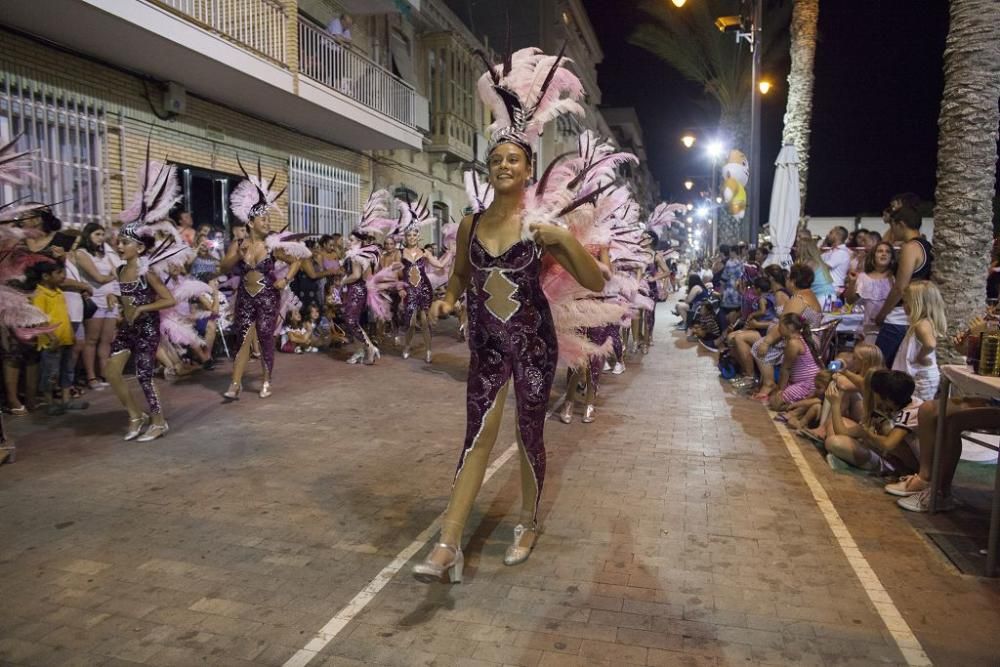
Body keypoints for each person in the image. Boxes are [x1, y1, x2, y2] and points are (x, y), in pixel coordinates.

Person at [412, 47, 604, 583]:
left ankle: (528, 520)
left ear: (528, 168)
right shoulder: (470, 225)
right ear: (488, 165)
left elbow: (596, 282)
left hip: (534, 343)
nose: (503, 165)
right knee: (477, 433)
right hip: (487, 346)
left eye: (513, 159)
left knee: (526, 432)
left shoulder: (540, 228)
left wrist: (565, 239)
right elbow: (459, 281)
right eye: (496, 158)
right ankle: (448, 541)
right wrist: (446, 300)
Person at [220, 161, 304, 400]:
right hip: (245, 298)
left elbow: (296, 261)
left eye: (268, 219)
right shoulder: (239, 244)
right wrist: (237, 253)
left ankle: (266, 380)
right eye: (263, 220)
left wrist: (285, 280)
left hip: (268, 297)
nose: (267, 222)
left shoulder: (273, 246)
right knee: (243, 338)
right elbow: (223, 267)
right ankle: (235, 384)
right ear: (250, 223)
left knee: (266, 338)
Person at [824, 370, 921, 475]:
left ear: (886, 397)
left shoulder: (908, 412)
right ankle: (851, 458)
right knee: (835, 425)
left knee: (833, 442)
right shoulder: (899, 400)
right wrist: (835, 404)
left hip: (910, 463)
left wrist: (869, 435)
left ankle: (884, 468)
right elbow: (842, 431)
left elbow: (888, 444)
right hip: (884, 449)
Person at [749, 263, 823, 399]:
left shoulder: (799, 299)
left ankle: (768, 383)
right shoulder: (810, 295)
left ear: (793, 282)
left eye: (788, 278)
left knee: (758, 347)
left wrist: (766, 342)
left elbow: (784, 326)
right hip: (807, 339)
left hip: (801, 341)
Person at [873, 206, 933, 366]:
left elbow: (900, 287)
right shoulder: (927, 247)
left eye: (892, 226)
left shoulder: (911, 247)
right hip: (915, 314)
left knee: (878, 365)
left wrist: (882, 314)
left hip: (899, 316)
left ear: (901, 224)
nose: (892, 231)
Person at [29, 262, 88, 416]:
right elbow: (39, 318)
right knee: (50, 373)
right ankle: (49, 403)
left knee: (67, 371)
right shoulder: (40, 294)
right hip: (51, 343)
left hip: (66, 339)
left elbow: (65, 315)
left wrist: (71, 335)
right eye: (58, 273)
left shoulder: (59, 292)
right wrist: (51, 336)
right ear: (45, 276)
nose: (63, 276)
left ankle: (66, 401)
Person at [75, 223, 122, 389]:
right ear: (88, 235)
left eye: (102, 234)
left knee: (107, 340)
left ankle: (104, 372)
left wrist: (113, 282)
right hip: (95, 300)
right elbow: (98, 278)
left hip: (110, 300)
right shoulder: (82, 253)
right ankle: (91, 377)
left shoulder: (105, 253)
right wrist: (113, 275)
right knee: (92, 339)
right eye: (97, 234)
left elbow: (117, 274)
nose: (101, 238)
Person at [399, 215, 450, 363]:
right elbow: (395, 272)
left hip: (424, 289)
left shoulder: (424, 252)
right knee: (410, 322)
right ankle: (407, 346)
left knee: (425, 321)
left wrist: (450, 252)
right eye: (409, 235)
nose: (412, 237)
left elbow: (439, 265)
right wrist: (399, 288)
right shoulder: (400, 253)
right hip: (410, 290)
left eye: (414, 235)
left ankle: (428, 350)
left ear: (418, 236)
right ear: (405, 237)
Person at [892, 281, 945, 401]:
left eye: (906, 302)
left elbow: (930, 344)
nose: (903, 305)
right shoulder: (920, 324)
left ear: (917, 304)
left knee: (918, 409)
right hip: (918, 375)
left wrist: (921, 357)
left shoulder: (921, 325)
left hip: (922, 378)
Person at [767, 313, 822, 411]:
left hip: (808, 384)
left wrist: (780, 390)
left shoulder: (793, 343)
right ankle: (799, 403)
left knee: (775, 403)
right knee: (771, 397)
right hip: (805, 382)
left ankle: (799, 405)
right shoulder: (798, 339)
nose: (778, 328)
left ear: (789, 326)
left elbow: (785, 370)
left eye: (780, 325)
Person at [844, 240, 895, 341]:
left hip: (890, 328)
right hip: (869, 329)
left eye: (887, 251)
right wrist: (852, 283)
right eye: (880, 251)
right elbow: (850, 300)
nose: (884, 254)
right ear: (873, 256)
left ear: (891, 257)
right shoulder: (863, 277)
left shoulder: (895, 278)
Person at [795, 231, 835, 304]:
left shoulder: (808, 264)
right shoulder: (816, 262)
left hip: (822, 297)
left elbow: (799, 283)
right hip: (828, 295)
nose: (795, 249)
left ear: (803, 249)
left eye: (797, 247)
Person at [821, 226, 852, 292]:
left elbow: (824, 267)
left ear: (837, 236)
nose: (827, 235)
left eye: (831, 233)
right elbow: (817, 259)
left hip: (835, 289)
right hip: (828, 288)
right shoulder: (831, 251)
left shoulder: (841, 252)